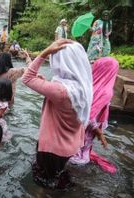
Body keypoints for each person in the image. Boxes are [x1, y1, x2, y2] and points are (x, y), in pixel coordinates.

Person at [22, 39, 93, 189]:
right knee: (57, 172)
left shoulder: (60, 91)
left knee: (43, 179)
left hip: (53, 147)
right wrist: (46, 82)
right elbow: (62, 97)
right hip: (71, 144)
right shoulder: (83, 85)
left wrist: (45, 51)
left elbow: (27, 78)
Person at [69, 57, 118, 174]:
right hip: (87, 130)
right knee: (80, 158)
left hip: (74, 128)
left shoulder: (86, 85)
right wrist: (100, 133)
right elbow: (89, 117)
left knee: (74, 148)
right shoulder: (106, 91)